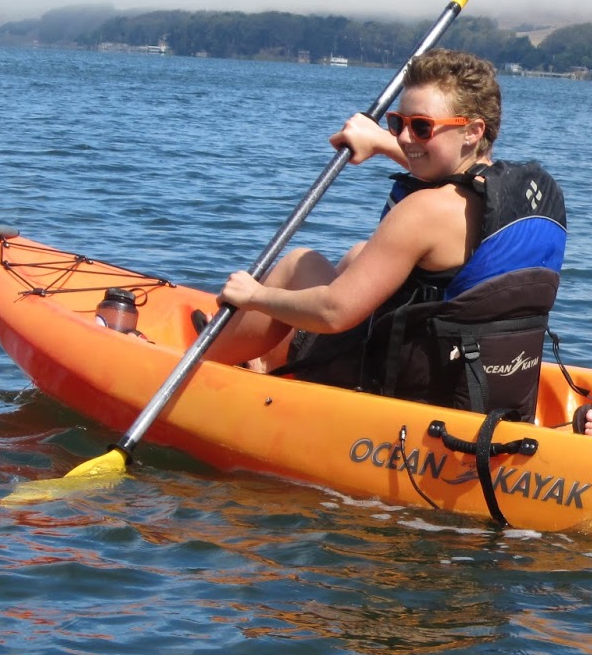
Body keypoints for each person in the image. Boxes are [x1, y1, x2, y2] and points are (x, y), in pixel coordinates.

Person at [210, 49, 567, 419]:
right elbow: (453, 180)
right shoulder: (528, 195)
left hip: (404, 395)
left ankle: (201, 368)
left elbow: (334, 313)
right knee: (358, 254)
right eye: (399, 123)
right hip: (481, 388)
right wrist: (382, 141)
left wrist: (255, 295)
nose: (407, 137)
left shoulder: (421, 212)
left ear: (473, 130)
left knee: (300, 265)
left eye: (422, 127)